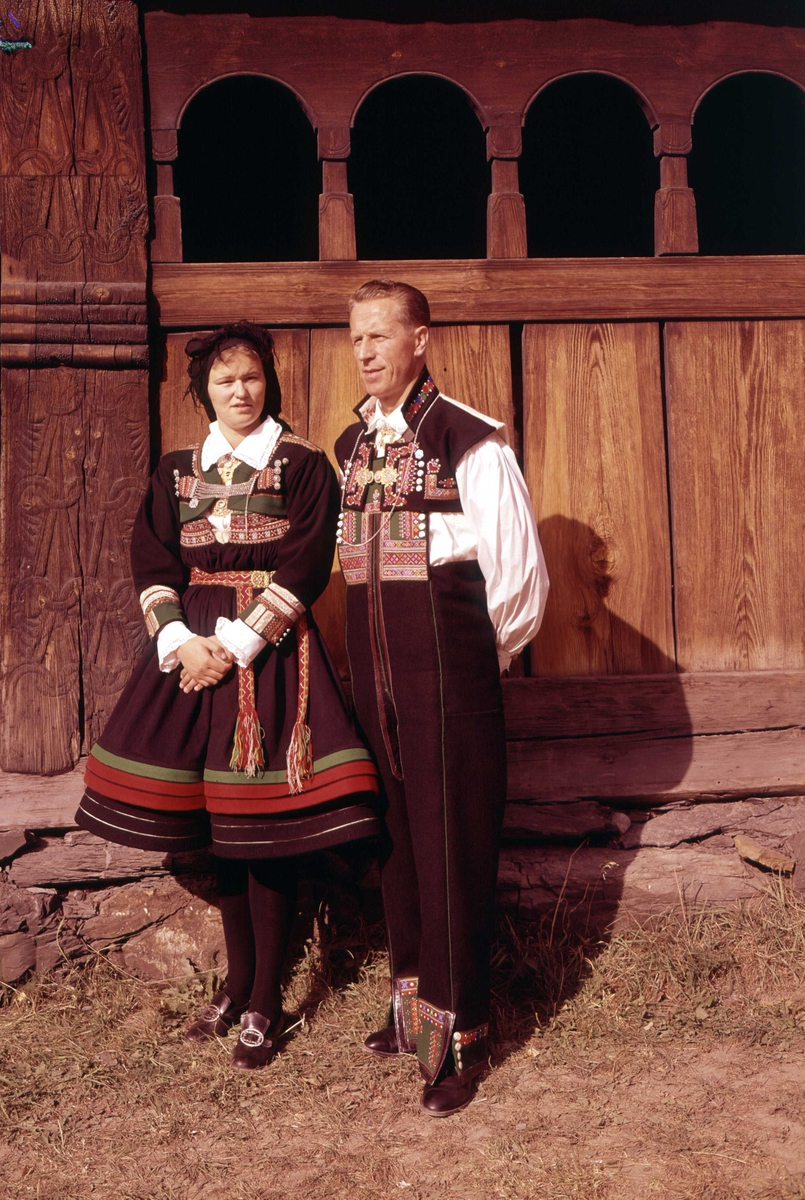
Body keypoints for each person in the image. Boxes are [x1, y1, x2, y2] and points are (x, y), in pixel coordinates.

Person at [76, 321, 379, 1069]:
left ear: (266, 383)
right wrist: (181, 644)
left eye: (249, 379)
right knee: (203, 834)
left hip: (267, 655)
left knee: (261, 829)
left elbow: (309, 561)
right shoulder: (177, 469)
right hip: (188, 656)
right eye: (223, 381)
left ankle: (264, 1003)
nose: (239, 392)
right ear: (203, 391)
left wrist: (238, 645)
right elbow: (151, 557)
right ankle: (239, 983)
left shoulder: (302, 464)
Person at [335, 280, 548, 1116]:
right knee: (397, 847)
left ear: (420, 339)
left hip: (448, 677)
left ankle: (455, 1043)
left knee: (452, 850)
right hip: (375, 685)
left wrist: (466, 664)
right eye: (356, 338)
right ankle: (409, 1014)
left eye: (381, 336)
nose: (365, 351)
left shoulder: (470, 439)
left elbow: (517, 576)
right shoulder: (353, 443)